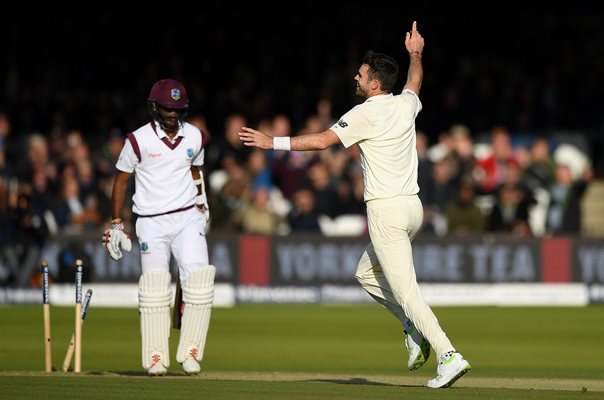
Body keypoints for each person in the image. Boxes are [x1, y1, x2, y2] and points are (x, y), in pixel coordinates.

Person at [239, 21, 471, 389]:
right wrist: (416, 53)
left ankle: (448, 355)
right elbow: (415, 81)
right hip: (413, 210)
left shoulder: (364, 112)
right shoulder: (405, 104)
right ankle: (413, 329)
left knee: (408, 293)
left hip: (387, 212)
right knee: (365, 274)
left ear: (374, 84)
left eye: (361, 74)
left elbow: (321, 142)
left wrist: (272, 143)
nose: (356, 77)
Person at [102, 78, 215, 376]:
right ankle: (155, 357)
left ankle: (191, 351)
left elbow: (195, 170)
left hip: (187, 216)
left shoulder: (195, 136)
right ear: (154, 107)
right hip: (151, 220)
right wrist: (116, 222)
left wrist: (203, 204)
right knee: (154, 287)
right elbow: (121, 180)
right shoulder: (138, 140)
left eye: (177, 109)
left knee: (200, 283)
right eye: (167, 108)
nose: (172, 114)